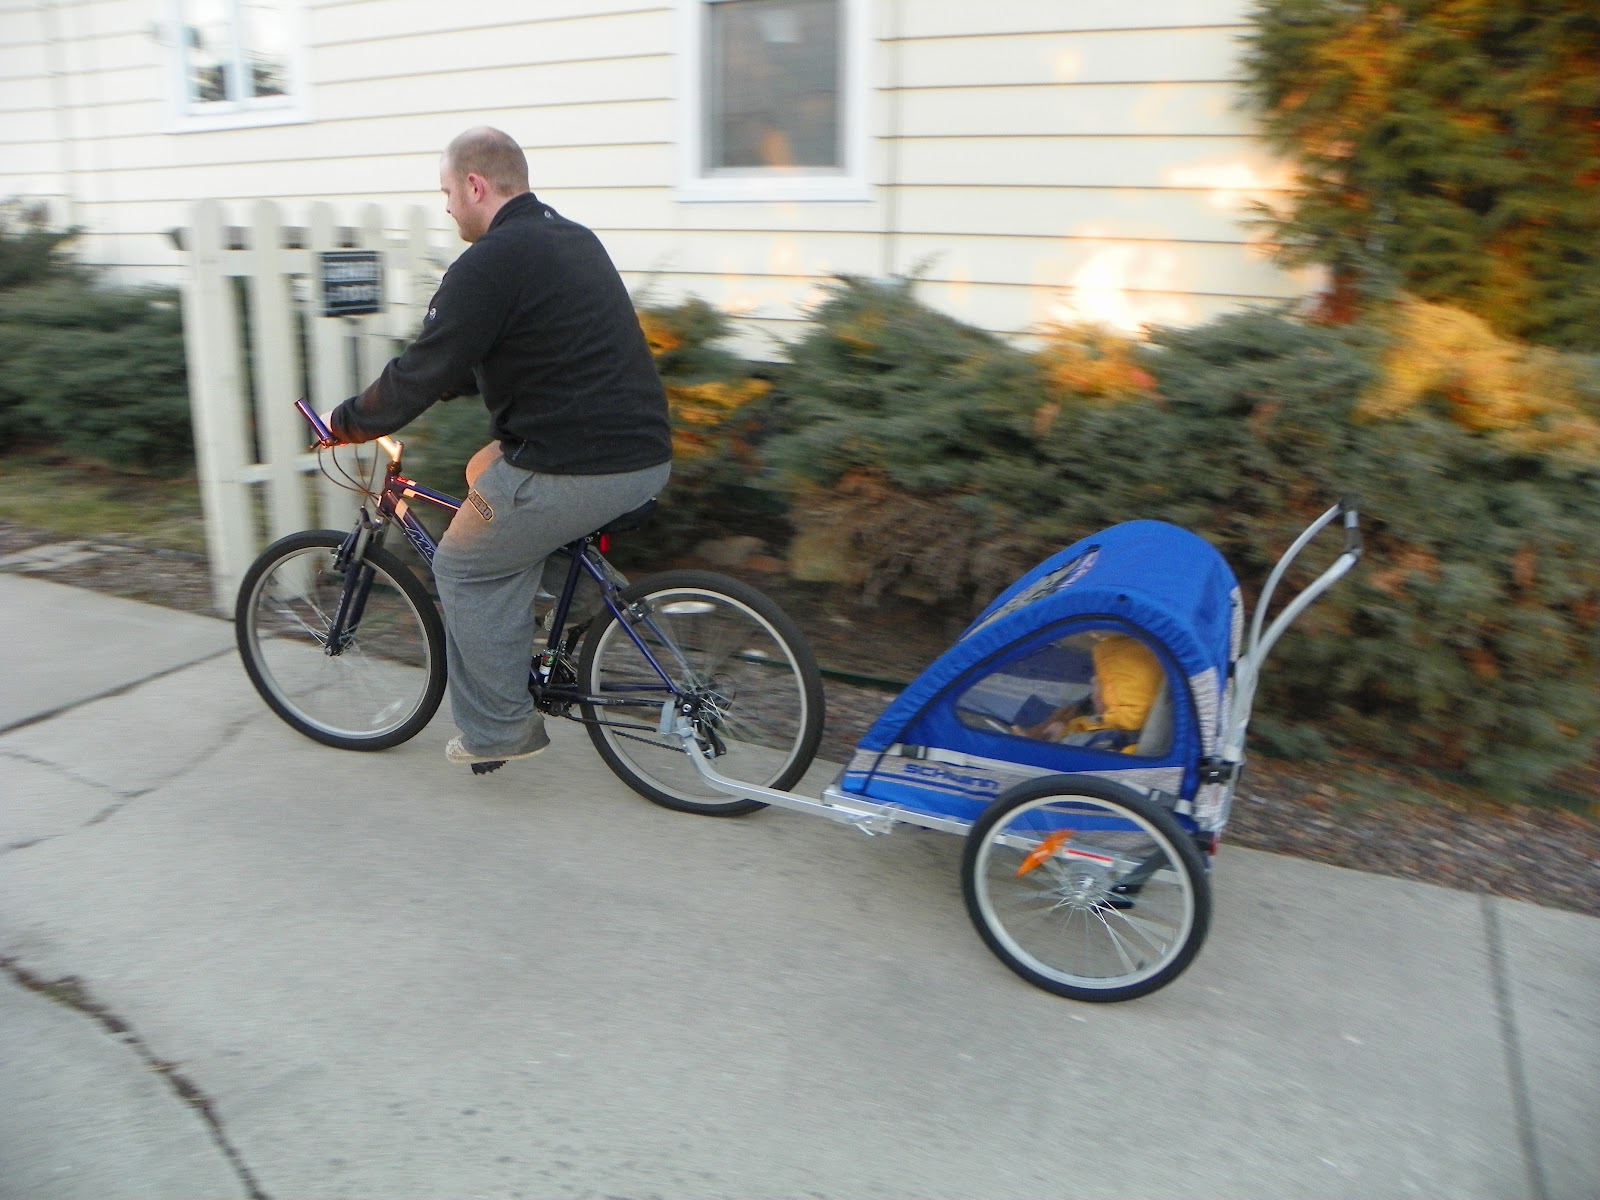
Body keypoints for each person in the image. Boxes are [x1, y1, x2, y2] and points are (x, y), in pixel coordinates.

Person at [325, 126, 672, 769]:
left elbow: (423, 369)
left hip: (577, 467)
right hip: (642, 455)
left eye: (448, 193)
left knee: (461, 564)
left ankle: (497, 731)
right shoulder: (570, 238)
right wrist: (440, 384)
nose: (449, 207)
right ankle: (574, 600)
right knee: (485, 468)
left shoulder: (487, 261)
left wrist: (345, 423)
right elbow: (474, 359)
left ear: (475, 185)